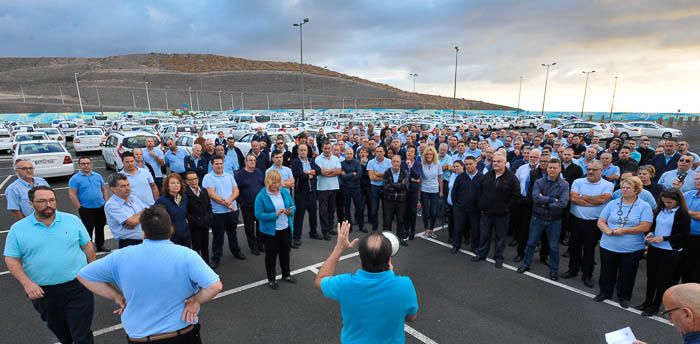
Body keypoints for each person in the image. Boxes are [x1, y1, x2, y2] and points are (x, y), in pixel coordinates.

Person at [77, 205, 223, 343]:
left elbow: (84, 275)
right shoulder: (186, 255)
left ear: (143, 232)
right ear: (171, 229)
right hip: (181, 333)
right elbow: (214, 286)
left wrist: (117, 297)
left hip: (139, 337)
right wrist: (196, 300)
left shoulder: (120, 256)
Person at [4, 186, 96, 344]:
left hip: (78, 286)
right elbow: (11, 259)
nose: (49, 204)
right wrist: (27, 283)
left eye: (52, 200)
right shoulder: (18, 229)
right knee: (62, 332)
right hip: (44, 293)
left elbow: (87, 247)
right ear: (31, 203)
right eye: (42, 201)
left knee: (81, 334)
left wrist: (93, 273)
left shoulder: (72, 220)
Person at [314, 222, 418, 343]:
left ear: (361, 258)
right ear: (389, 258)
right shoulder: (405, 285)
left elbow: (319, 280)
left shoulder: (345, 284)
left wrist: (339, 248)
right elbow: (411, 317)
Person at [594, 176, 653, 308]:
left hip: (631, 248)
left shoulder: (644, 206)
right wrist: (607, 230)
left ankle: (624, 296)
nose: (624, 190)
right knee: (606, 271)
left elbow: (645, 226)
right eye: (623, 187)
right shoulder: (612, 203)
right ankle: (605, 292)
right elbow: (601, 221)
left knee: (627, 273)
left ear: (636, 190)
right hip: (608, 245)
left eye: (628, 188)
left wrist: (624, 231)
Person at [637, 188, 690, 316]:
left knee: (663, 279)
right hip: (655, 248)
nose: (666, 204)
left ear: (678, 201)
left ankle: (655, 305)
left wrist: (664, 238)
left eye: (670, 202)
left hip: (670, 251)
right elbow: (654, 226)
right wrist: (650, 233)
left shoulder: (682, 214)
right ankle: (647, 301)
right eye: (664, 202)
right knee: (651, 277)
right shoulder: (660, 210)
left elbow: (683, 235)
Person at [562, 160, 614, 288]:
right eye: (589, 169)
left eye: (594, 170)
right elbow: (573, 198)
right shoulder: (578, 182)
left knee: (589, 250)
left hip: (593, 223)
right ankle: (572, 270)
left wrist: (583, 196)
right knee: (574, 247)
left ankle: (587, 275)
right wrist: (593, 201)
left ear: (601, 171)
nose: (590, 172)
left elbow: (603, 199)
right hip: (576, 220)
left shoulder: (608, 185)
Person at [517, 158, 569, 280]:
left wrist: (544, 201)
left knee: (554, 246)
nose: (552, 170)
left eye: (555, 168)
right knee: (531, 243)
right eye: (550, 167)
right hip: (538, 218)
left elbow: (563, 203)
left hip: (554, 220)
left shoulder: (565, 184)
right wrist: (552, 200)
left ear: (560, 169)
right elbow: (535, 198)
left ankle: (554, 270)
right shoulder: (539, 182)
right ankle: (526, 264)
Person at [472, 151, 520, 268]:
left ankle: (498, 257)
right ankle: (482, 254)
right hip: (486, 213)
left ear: (505, 163)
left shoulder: (512, 178)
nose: (495, 164)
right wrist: (481, 205)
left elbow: (516, 196)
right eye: (494, 161)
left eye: (499, 161)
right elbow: (480, 192)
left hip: (502, 215)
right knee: (484, 235)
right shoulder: (487, 175)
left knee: (500, 237)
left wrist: (506, 209)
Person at [254, 169, 296, 290]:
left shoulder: (284, 192)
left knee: (285, 253)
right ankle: (271, 279)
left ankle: (286, 274)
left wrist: (290, 211)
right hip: (270, 232)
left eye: (278, 182)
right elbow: (258, 214)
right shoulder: (261, 196)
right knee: (271, 256)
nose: (276, 185)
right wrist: (274, 215)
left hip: (285, 228)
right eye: (273, 183)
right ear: (267, 182)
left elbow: (293, 205)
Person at [202, 156, 246, 270]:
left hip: (232, 211)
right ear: (212, 165)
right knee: (218, 237)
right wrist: (227, 204)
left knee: (233, 234)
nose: (219, 165)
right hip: (217, 213)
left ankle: (236, 251)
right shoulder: (208, 177)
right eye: (216, 164)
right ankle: (216, 257)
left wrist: (229, 201)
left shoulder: (229, 176)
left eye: (221, 163)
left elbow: (236, 190)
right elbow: (211, 194)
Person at [69, 156, 109, 252]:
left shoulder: (98, 176)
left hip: (100, 207)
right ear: (79, 165)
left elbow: (104, 189)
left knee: (100, 227)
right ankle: (88, 248)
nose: (85, 165)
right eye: (83, 163)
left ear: (91, 164)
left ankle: (100, 246)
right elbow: (72, 194)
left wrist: (106, 202)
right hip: (86, 209)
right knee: (88, 230)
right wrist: (80, 207)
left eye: (88, 163)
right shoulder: (75, 179)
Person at [291, 143, 323, 244]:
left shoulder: (310, 160)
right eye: (301, 150)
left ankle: (313, 232)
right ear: (298, 151)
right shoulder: (295, 162)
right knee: (299, 216)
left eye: (305, 150)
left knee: (313, 214)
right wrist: (310, 174)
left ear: (307, 151)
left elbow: (318, 170)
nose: (303, 152)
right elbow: (300, 175)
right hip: (301, 193)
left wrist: (308, 172)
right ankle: (296, 236)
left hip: (312, 192)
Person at [235, 154, 266, 255]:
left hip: (260, 205)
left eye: (254, 160)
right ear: (245, 162)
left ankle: (260, 243)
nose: (252, 162)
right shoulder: (239, 175)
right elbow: (235, 190)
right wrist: (241, 201)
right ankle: (253, 246)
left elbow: (263, 185)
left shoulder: (259, 172)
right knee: (249, 227)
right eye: (250, 160)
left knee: (260, 225)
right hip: (247, 205)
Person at [105, 173, 147, 248]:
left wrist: (140, 215)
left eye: (128, 185)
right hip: (129, 243)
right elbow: (132, 221)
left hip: (144, 240)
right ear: (113, 189)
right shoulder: (111, 205)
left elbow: (149, 212)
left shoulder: (133, 198)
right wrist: (142, 214)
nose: (127, 188)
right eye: (123, 186)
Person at [452, 156, 482, 253]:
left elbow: (485, 193)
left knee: (475, 230)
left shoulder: (481, 177)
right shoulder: (460, 177)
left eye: (470, 164)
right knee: (458, 228)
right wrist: (456, 206)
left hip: (475, 210)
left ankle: (475, 248)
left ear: (475, 164)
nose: (468, 166)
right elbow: (454, 192)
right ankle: (456, 245)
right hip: (461, 209)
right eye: (466, 164)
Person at [316, 141, 343, 241]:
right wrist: (332, 171)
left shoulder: (335, 158)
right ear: (322, 149)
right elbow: (321, 172)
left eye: (328, 148)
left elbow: (339, 171)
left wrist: (328, 172)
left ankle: (330, 227)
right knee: (323, 211)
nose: (327, 150)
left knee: (331, 209)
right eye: (325, 148)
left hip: (333, 187)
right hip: (322, 188)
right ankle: (325, 230)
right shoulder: (318, 159)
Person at [155, 173, 191, 247]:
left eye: (178, 183)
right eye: (173, 183)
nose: (176, 185)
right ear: (167, 186)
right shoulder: (161, 201)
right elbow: (157, 218)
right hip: (171, 237)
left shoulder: (184, 198)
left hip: (185, 234)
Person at [184, 171, 212, 264]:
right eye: (190, 180)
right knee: (196, 247)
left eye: (195, 179)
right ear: (186, 181)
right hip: (194, 225)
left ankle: (206, 265)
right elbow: (185, 211)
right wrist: (194, 221)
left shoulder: (204, 191)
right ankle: (197, 266)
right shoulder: (184, 194)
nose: (193, 181)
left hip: (205, 223)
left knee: (205, 247)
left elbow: (209, 206)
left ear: (198, 179)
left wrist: (209, 217)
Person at [383, 155, 409, 246]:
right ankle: (387, 239)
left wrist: (392, 185)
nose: (395, 163)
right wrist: (399, 185)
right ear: (391, 162)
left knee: (400, 220)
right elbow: (386, 187)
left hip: (401, 200)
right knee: (387, 220)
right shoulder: (387, 172)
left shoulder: (405, 172)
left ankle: (400, 238)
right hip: (389, 201)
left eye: (397, 161)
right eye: (394, 161)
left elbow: (405, 185)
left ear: (400, 162)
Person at [420, 146, 443, 239]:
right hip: (424, 189)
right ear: (425, 155)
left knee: (434, 212)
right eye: (427, 154)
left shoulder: (438, 164)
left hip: (435, 190)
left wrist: (441, 191)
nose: (429, 155)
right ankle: (426, 229)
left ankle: (431, 230)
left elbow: (440, 178)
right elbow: (420, 179)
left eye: (431, 154)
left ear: (434, 155)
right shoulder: (421, 164)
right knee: (426, 211)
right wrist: (419, 195)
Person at [341, 147, 365, 233]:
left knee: (359, 207)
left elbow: (359, 175)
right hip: (346, 189)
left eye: (351, 153)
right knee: (347, 209)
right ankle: (349, 227)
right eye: (348, 153)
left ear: (353, 154)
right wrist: (352, 174)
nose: (349, 155)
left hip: (356, 188)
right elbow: (342, 177)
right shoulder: (342, 163)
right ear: (345, 154)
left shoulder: (357, 162)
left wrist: (348, 175)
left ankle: (361, 226)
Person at [683, 175, 700, 283]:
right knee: (685, 269)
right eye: (697, 178)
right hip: (684, 237)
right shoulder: (688, 194)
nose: (697, 181)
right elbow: (677, 210)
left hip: (698, 239)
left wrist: (686, 212)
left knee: (697, 272)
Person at [446, 160, 465, 247]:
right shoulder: (453, 175)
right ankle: (451, 236)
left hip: (459, 204)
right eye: (454, 166)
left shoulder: (464, 176)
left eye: (458, 166)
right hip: (450, 203)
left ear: (462, 166)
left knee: (458, 223)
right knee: (451, 221)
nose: (456, 168)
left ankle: (458, 239)